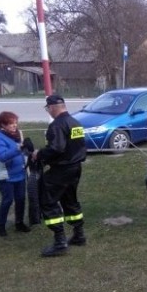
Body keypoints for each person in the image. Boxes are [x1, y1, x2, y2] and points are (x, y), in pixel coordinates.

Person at [33, 95, 87, 257]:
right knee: (70, 200)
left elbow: (56, 148)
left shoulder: (57, 125)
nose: (48, 111)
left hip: (61, 169)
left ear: (52, 108)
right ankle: (79, 234)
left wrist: (40, 154)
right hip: (75, 168)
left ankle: (60, 242)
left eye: (47, 108)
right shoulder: (75, 122)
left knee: (47, 201)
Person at [0, 111, 31, 236]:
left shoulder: (16, 135)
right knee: (7, 200)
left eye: (15, 123)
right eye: (11, 124)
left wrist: (29, 151)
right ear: (2, 124)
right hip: (5, 176)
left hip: (20, 174)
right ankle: (1, 227)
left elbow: (22, 153)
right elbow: (2, 156)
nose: (14, 126)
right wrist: (19, 148)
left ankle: (19, 223)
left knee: (21, 199)